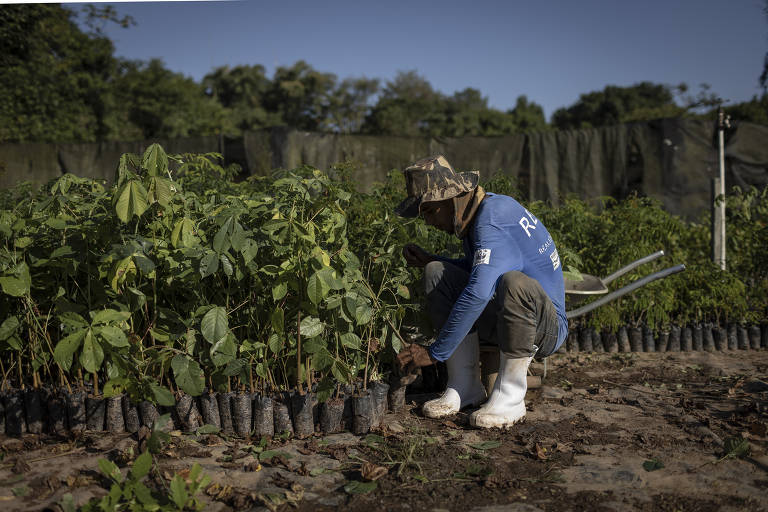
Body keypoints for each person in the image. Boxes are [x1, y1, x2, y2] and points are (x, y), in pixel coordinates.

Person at [394, 155, 568, 428]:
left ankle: (510, 398)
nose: (427, 222)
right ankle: (464, 386)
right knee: (437, 271)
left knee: (514, 283)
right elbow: (480, 270)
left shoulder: (492, 219)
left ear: (449, 199)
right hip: (507, 317)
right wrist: (431, 260)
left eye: (428, 211)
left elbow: (478, 291)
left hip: (544, 328)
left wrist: (434, 353)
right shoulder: (478, 215)